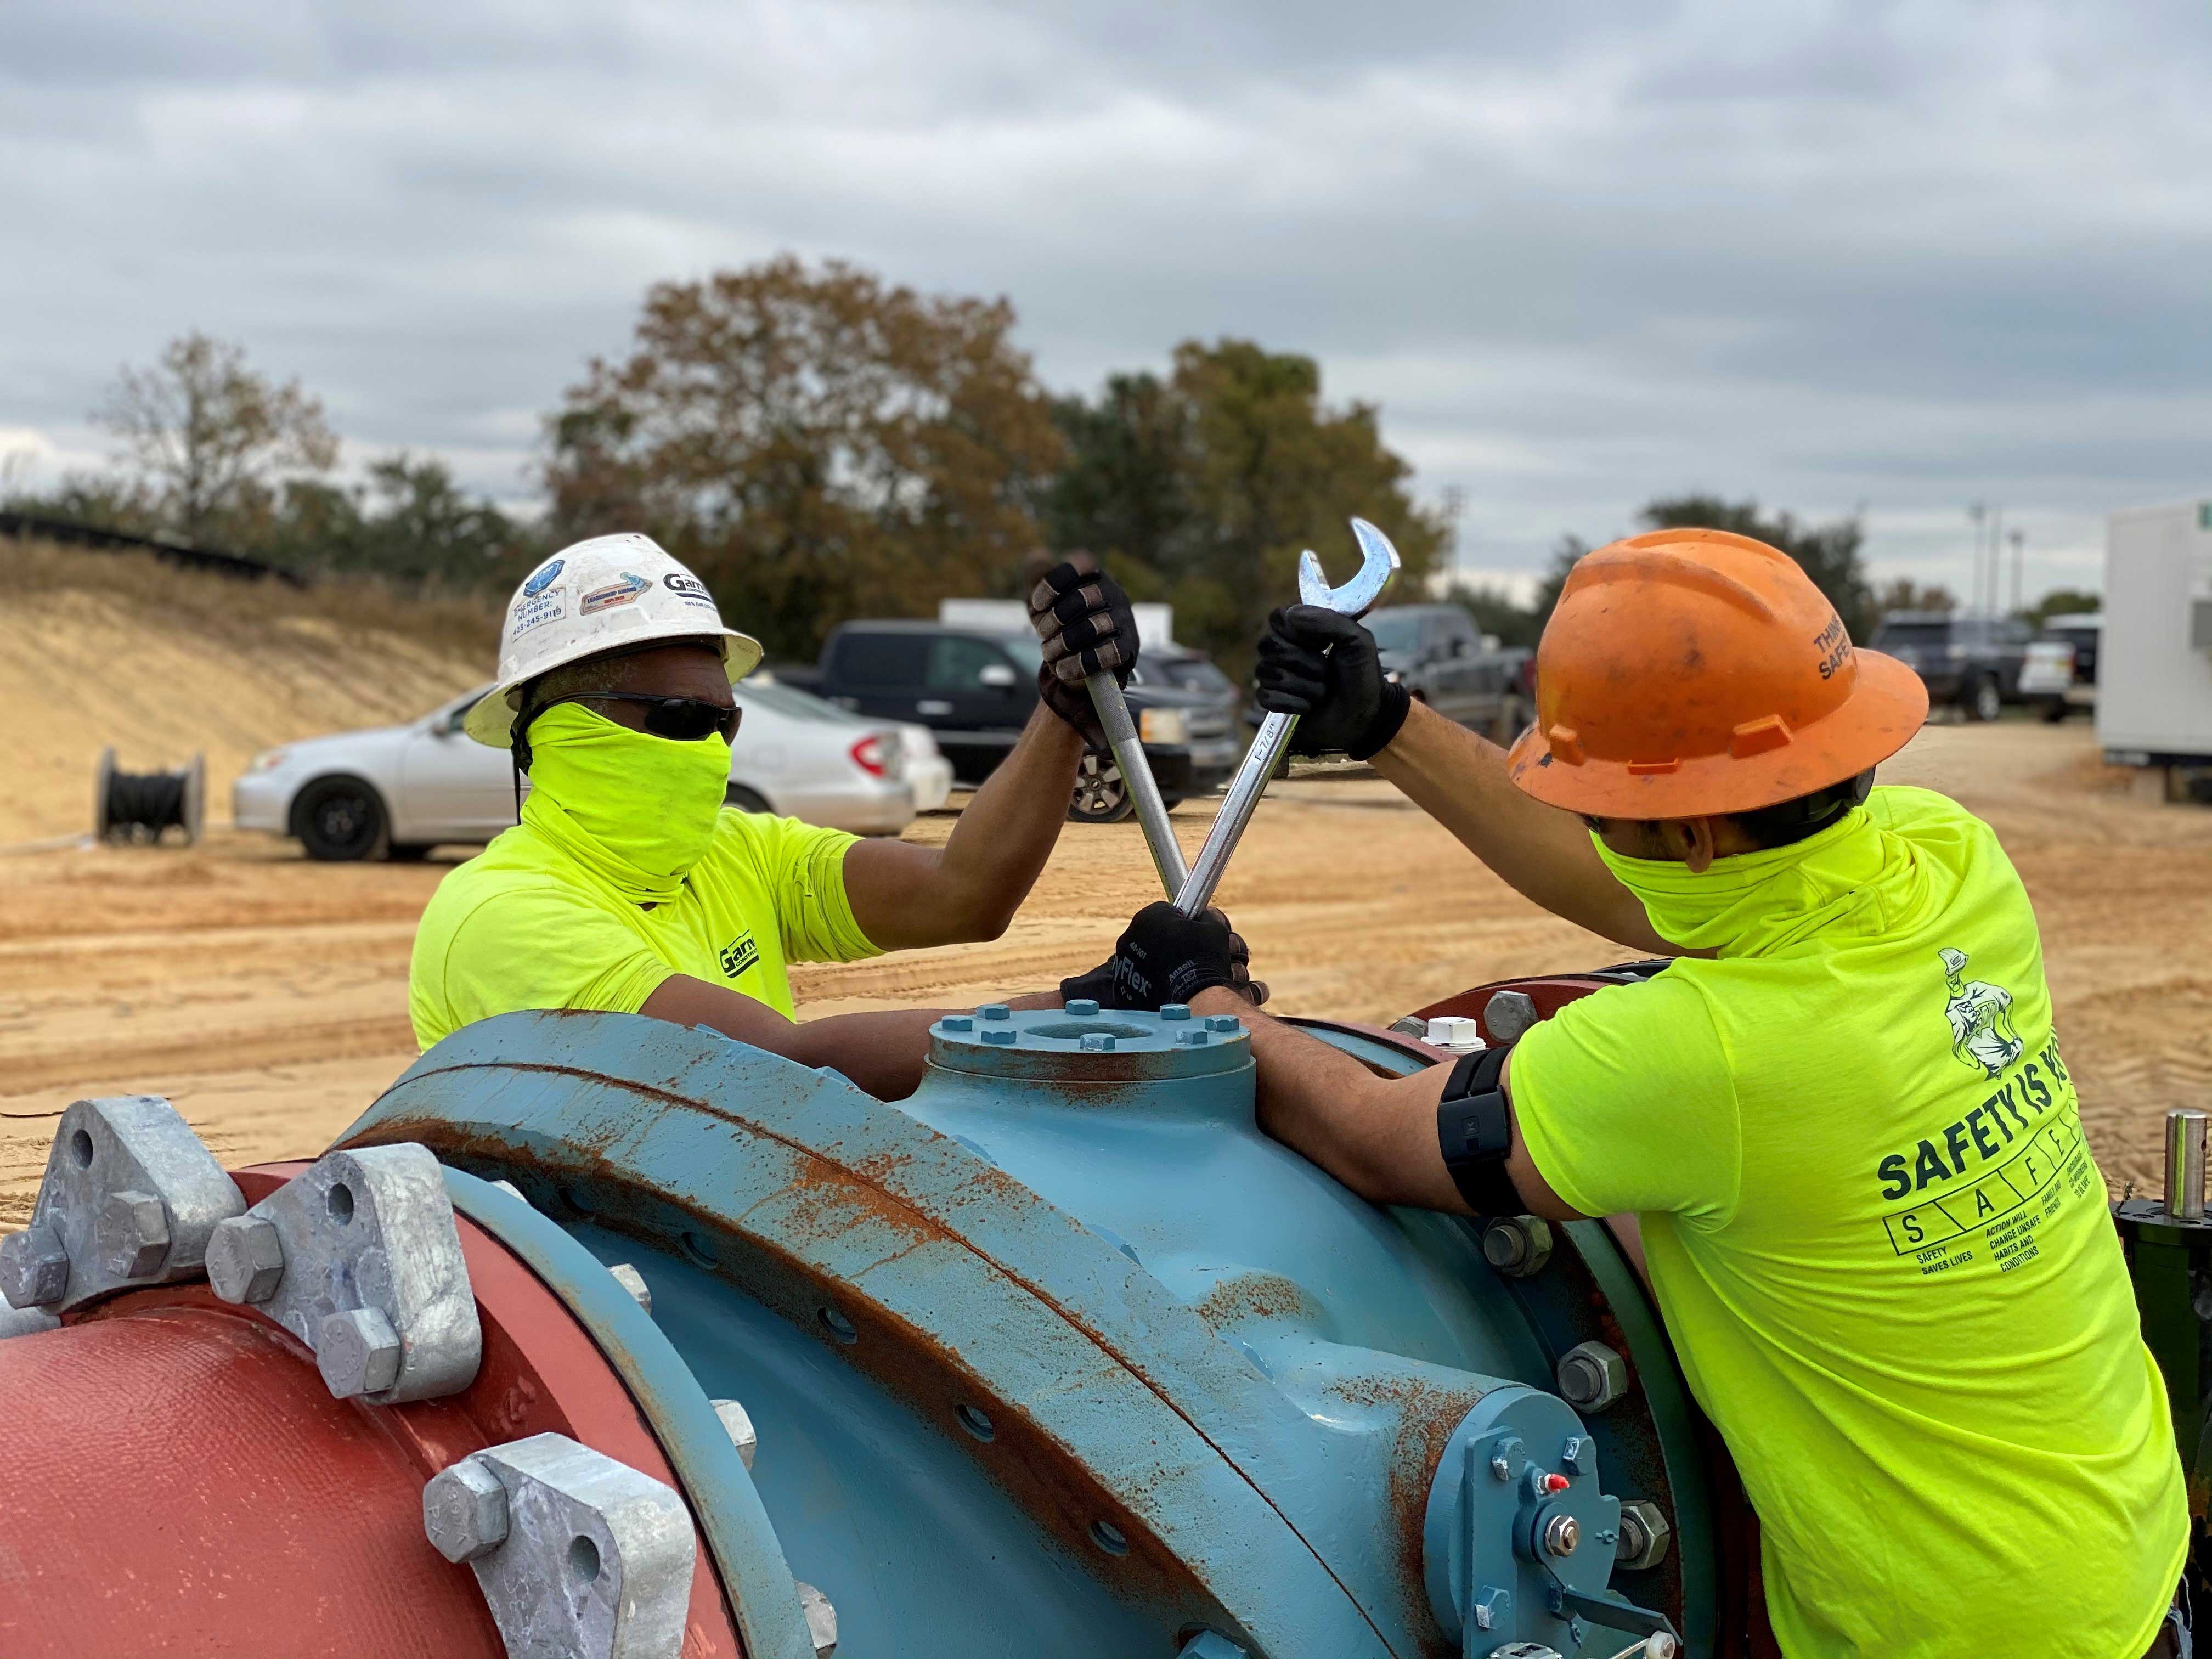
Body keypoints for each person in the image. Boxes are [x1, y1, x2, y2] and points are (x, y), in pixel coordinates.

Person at [1085, 527, 2189, 1658]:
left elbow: (1371, 1136)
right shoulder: (1952, 862)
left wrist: (1208, 1003)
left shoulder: (1701, 1055)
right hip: (2125, 1546)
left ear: (1694, 832)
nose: (1597, 829)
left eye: (1608, 804)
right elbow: (1652, 895)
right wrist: (1387, 726)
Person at [409, 532, 1257, 1099]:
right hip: (584, 1293)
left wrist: (1064, 705)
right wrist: (1097, 1008)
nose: (709, 744)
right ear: (554, 733)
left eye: (723, 720)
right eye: (677, 719)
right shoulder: (503, 913)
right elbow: (775, 1071)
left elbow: (960, 894)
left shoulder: (731, 851)